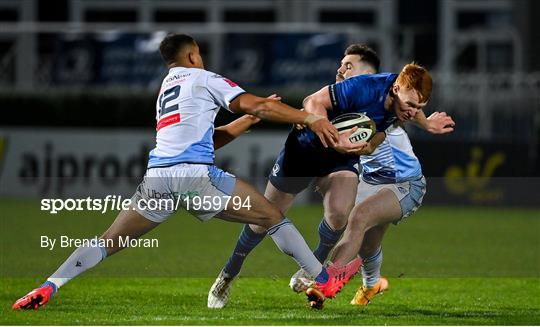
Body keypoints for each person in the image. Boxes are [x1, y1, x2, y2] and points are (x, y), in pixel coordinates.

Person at [12, 33, 361, 310]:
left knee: (107, 242)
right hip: (195, 179)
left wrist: (247, 120)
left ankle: (49, 285)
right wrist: (308, 117)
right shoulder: (203, 77)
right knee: (272, 217)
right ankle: (324, 278)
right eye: (200, 55)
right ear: (193, 55)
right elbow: (256, 102)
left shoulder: (167, 88)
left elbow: (210, 138)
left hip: (158, 180)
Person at [208, 44, 453, 309]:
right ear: (395, 89)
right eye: (410, 105)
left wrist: (425, 123)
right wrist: (322, 126)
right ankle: (228, 274)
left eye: (420, 106)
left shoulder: (402, 99)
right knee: (261, 220)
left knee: (339, 213)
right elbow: (313, 101)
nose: (412, 111)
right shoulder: (364, 88)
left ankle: (313, 266)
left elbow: (406, 112)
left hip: (340, 157)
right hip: (304, 150)